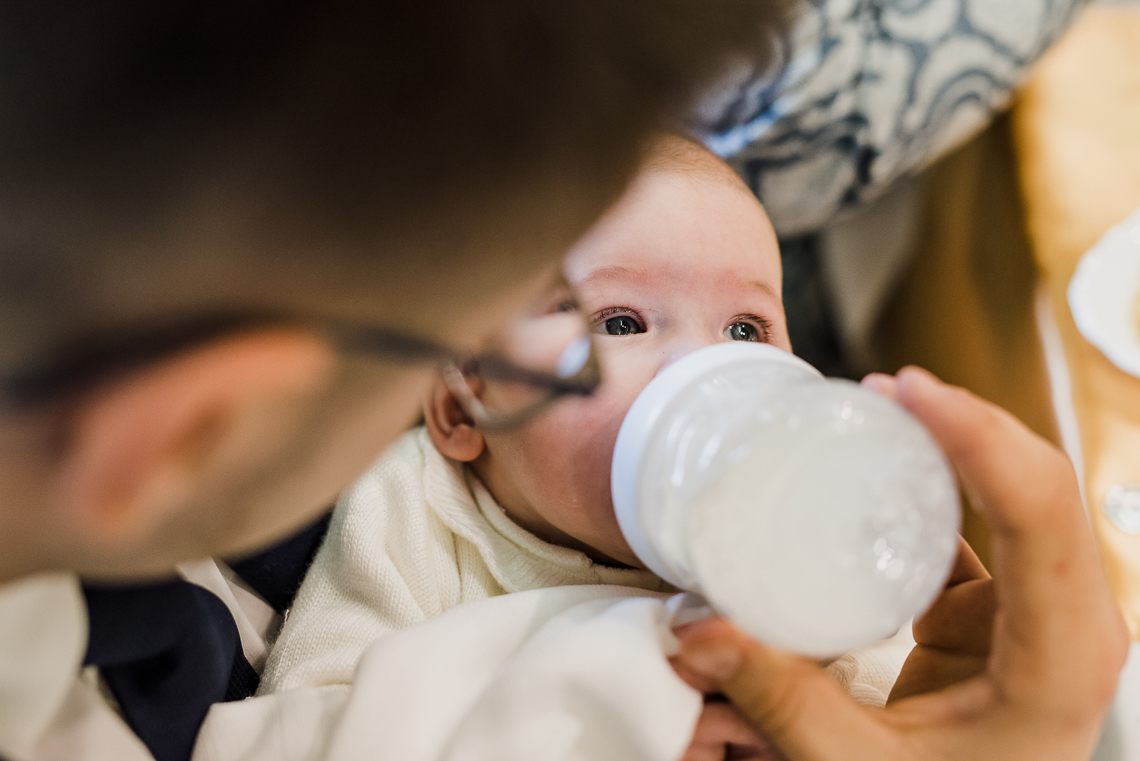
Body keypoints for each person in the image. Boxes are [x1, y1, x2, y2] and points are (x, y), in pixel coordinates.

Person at [0, 3, 795, 760]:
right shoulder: (410, 513)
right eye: (617, 325)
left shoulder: (785, 514)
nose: (703, 371)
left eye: (749, 330)